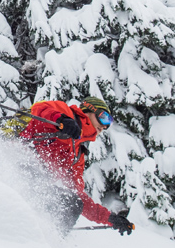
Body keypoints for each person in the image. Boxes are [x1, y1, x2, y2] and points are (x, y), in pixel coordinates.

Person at [16, 96, 134, 236]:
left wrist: (110, 218)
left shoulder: (77, 154)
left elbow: (79, 197)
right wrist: (60, 119)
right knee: (54, 192)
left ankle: (50, 239)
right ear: (89, 110)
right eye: (104, 118)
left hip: (39, 185)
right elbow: (39, 109)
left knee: (73, 203)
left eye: (108, 124)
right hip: (18, 162)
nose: (104, 126)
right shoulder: (65, 112)